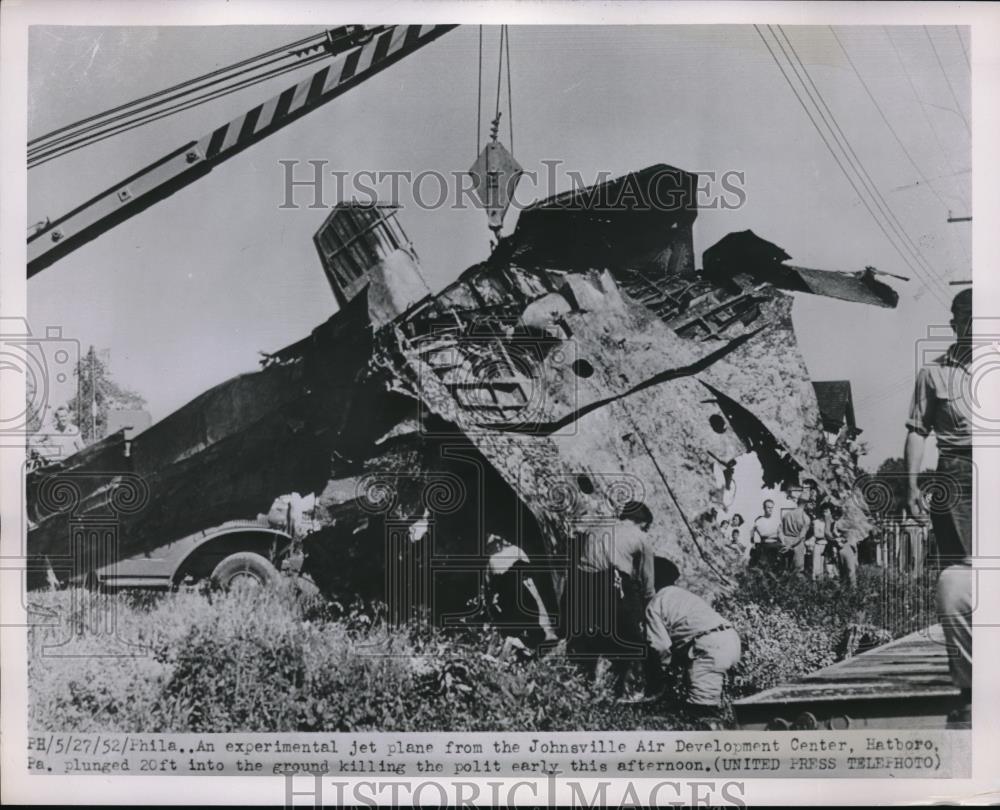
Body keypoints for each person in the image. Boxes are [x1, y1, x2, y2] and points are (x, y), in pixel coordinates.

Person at [904, 287, 973, 728]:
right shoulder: (932, 375)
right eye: (966, 318)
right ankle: (971, 687)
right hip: (957, 473)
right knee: (961, 576)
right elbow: (916, 429)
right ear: (954, 323)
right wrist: (911, 483)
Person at [566, 501, 655, 696]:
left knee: (589, 635)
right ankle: (633, 688)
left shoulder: (597, 526)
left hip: (581, 584)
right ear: (642, 523)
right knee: (634, 640)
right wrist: (647, 609)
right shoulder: (641, 537)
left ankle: (583, 680)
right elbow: (647, 583)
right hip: (611, 583)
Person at [645, 557, 742, 729]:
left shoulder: (655, 603)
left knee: (703, 714)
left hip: (709, 648)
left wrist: (662, 677)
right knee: (713, 708)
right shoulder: (684, 596)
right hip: (730, 640)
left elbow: (659, 647)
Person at [485, 534, 557, 648]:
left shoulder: (512, 552)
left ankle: (531, 639)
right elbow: (492, 582)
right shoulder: (494, 559)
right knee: (525, 615)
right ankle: (526, 641)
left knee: (528, 615)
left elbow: (491, 583)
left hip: (517, 592)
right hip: (513, 593)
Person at [780, 494, 812, 576]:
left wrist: (784, 543)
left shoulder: (786, 515)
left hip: (786, 542)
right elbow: (801, 536)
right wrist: (791, 545)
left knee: (785, 570)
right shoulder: (806, 518)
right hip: (797, 544)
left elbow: (780, 531)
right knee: (798, 571)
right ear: (806, 504)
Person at [749, 499, 781, 569]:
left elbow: (780, 533)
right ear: (764, 508)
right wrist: (752, 542)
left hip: (776, 547)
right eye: (768, 507)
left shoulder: (777, 520)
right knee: (764, 568)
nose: (770, 509)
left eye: (772, 507)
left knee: (776, 569)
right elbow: (751, 532)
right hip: (764, 547)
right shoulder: (759, 521)